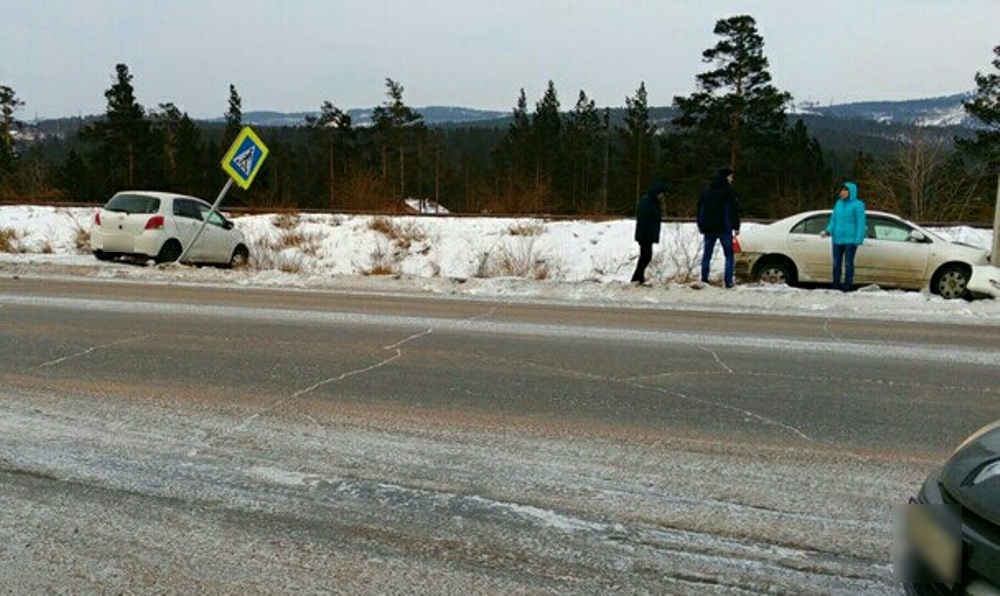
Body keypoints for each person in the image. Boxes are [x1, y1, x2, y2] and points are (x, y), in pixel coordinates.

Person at [697, 168, 741, 288]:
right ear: (726, 177)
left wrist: (701, 225)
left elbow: (700, 208)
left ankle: (704, 279)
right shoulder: (729, 191)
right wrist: (736, 226)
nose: (732, 179)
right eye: (731, 177)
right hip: (724, 228)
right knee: (729, 255)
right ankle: (728, 281)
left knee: (707, 255)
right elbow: (733, 210)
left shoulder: (707, 190)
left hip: (709, 228)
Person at [821, 182, 867, 291]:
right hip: (837, 238)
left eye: (845, 190)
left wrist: (859, 238)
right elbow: (833, 219)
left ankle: (848, 286)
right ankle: (835, 285)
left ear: (851, 192)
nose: (842, 193)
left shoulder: (858, 205)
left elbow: (861, 222)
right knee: (836, 263)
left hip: (850, 239)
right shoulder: (838, 204)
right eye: (842, 190)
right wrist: (828, 230)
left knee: (848, 263)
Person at [630, 182, 666, 285]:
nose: (661, 196)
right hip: (645, 234)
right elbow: (645, 218)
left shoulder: (651, 201)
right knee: (646, 256)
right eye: (660, 194)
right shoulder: (647, 202)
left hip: (646, 234)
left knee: (645, 256)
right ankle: (637, 277)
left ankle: (638, 277)